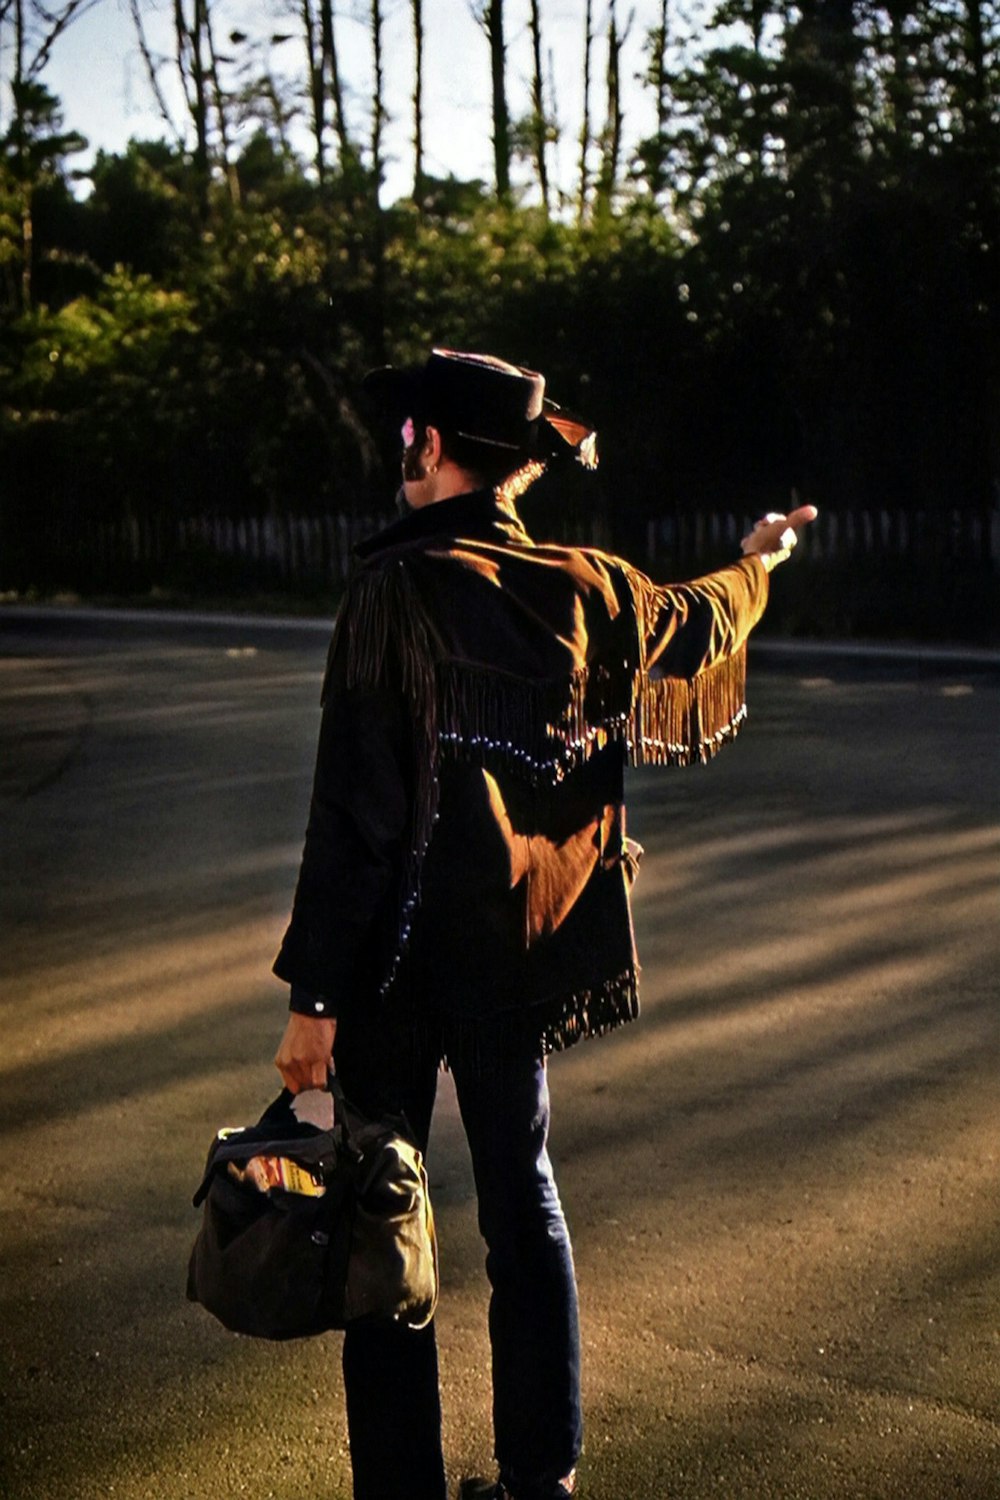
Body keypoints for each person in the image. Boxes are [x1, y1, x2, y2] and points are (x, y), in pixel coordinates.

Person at [272, 349, 817, 1500]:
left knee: (384, 1220)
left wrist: (312, 1000)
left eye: (408, 431)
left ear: (427, 446)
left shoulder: (392, 591)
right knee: (522, 1197)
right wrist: (760, 560)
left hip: (392, 971)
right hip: (517, 959)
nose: (400, 448)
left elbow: (352, 820)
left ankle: (402, 1487)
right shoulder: (593, 588)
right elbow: (700, 615)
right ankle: (541, 1479)